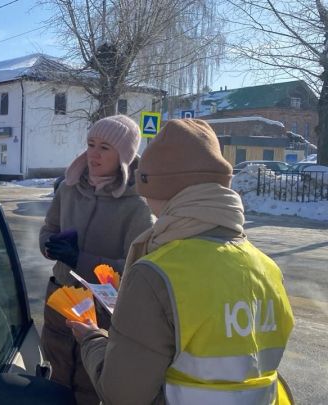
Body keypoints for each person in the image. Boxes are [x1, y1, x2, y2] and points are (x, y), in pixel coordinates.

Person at [68, 119, 295, 404]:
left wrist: (92, 340)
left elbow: (122, 393)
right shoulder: (266, 268)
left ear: (162, 189)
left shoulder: (158, 273)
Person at [39, 115, 154, 404]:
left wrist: (82, 259)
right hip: (61, 296)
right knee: (54, 369)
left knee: (89, 380)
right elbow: (48, 228)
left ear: (124, 155)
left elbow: (133, 267)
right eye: (91, 144)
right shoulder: (68, 187)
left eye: (105, 147)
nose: (93, 153)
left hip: (102, 305)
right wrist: (49, 245)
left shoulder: (139, 204)